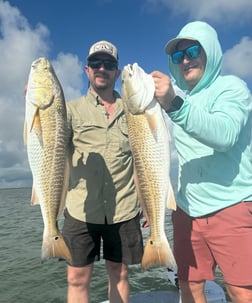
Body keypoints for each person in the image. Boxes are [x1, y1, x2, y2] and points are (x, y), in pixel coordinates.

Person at [151, 21, 252, 303]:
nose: (185, 60)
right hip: (187, 213)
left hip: (231, 206)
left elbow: (225, 134)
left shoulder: (232, 88)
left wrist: (173, 104)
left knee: (242, 291)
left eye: (193, 50)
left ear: (210, 52)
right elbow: (153, 156)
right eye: (177, 56)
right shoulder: (180, 101)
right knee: (189, 286)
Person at [62, 40, 143, 303]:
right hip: (80, 210)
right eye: (96, 63)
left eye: (108, 64)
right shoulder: (70, 110)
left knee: (119, 274)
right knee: (77, 278)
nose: (102, 68)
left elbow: (146, 159)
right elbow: (49, 145)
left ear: (117, 73)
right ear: (87, 70)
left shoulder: (134, 110)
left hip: (124, 209)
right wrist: (38, 109)